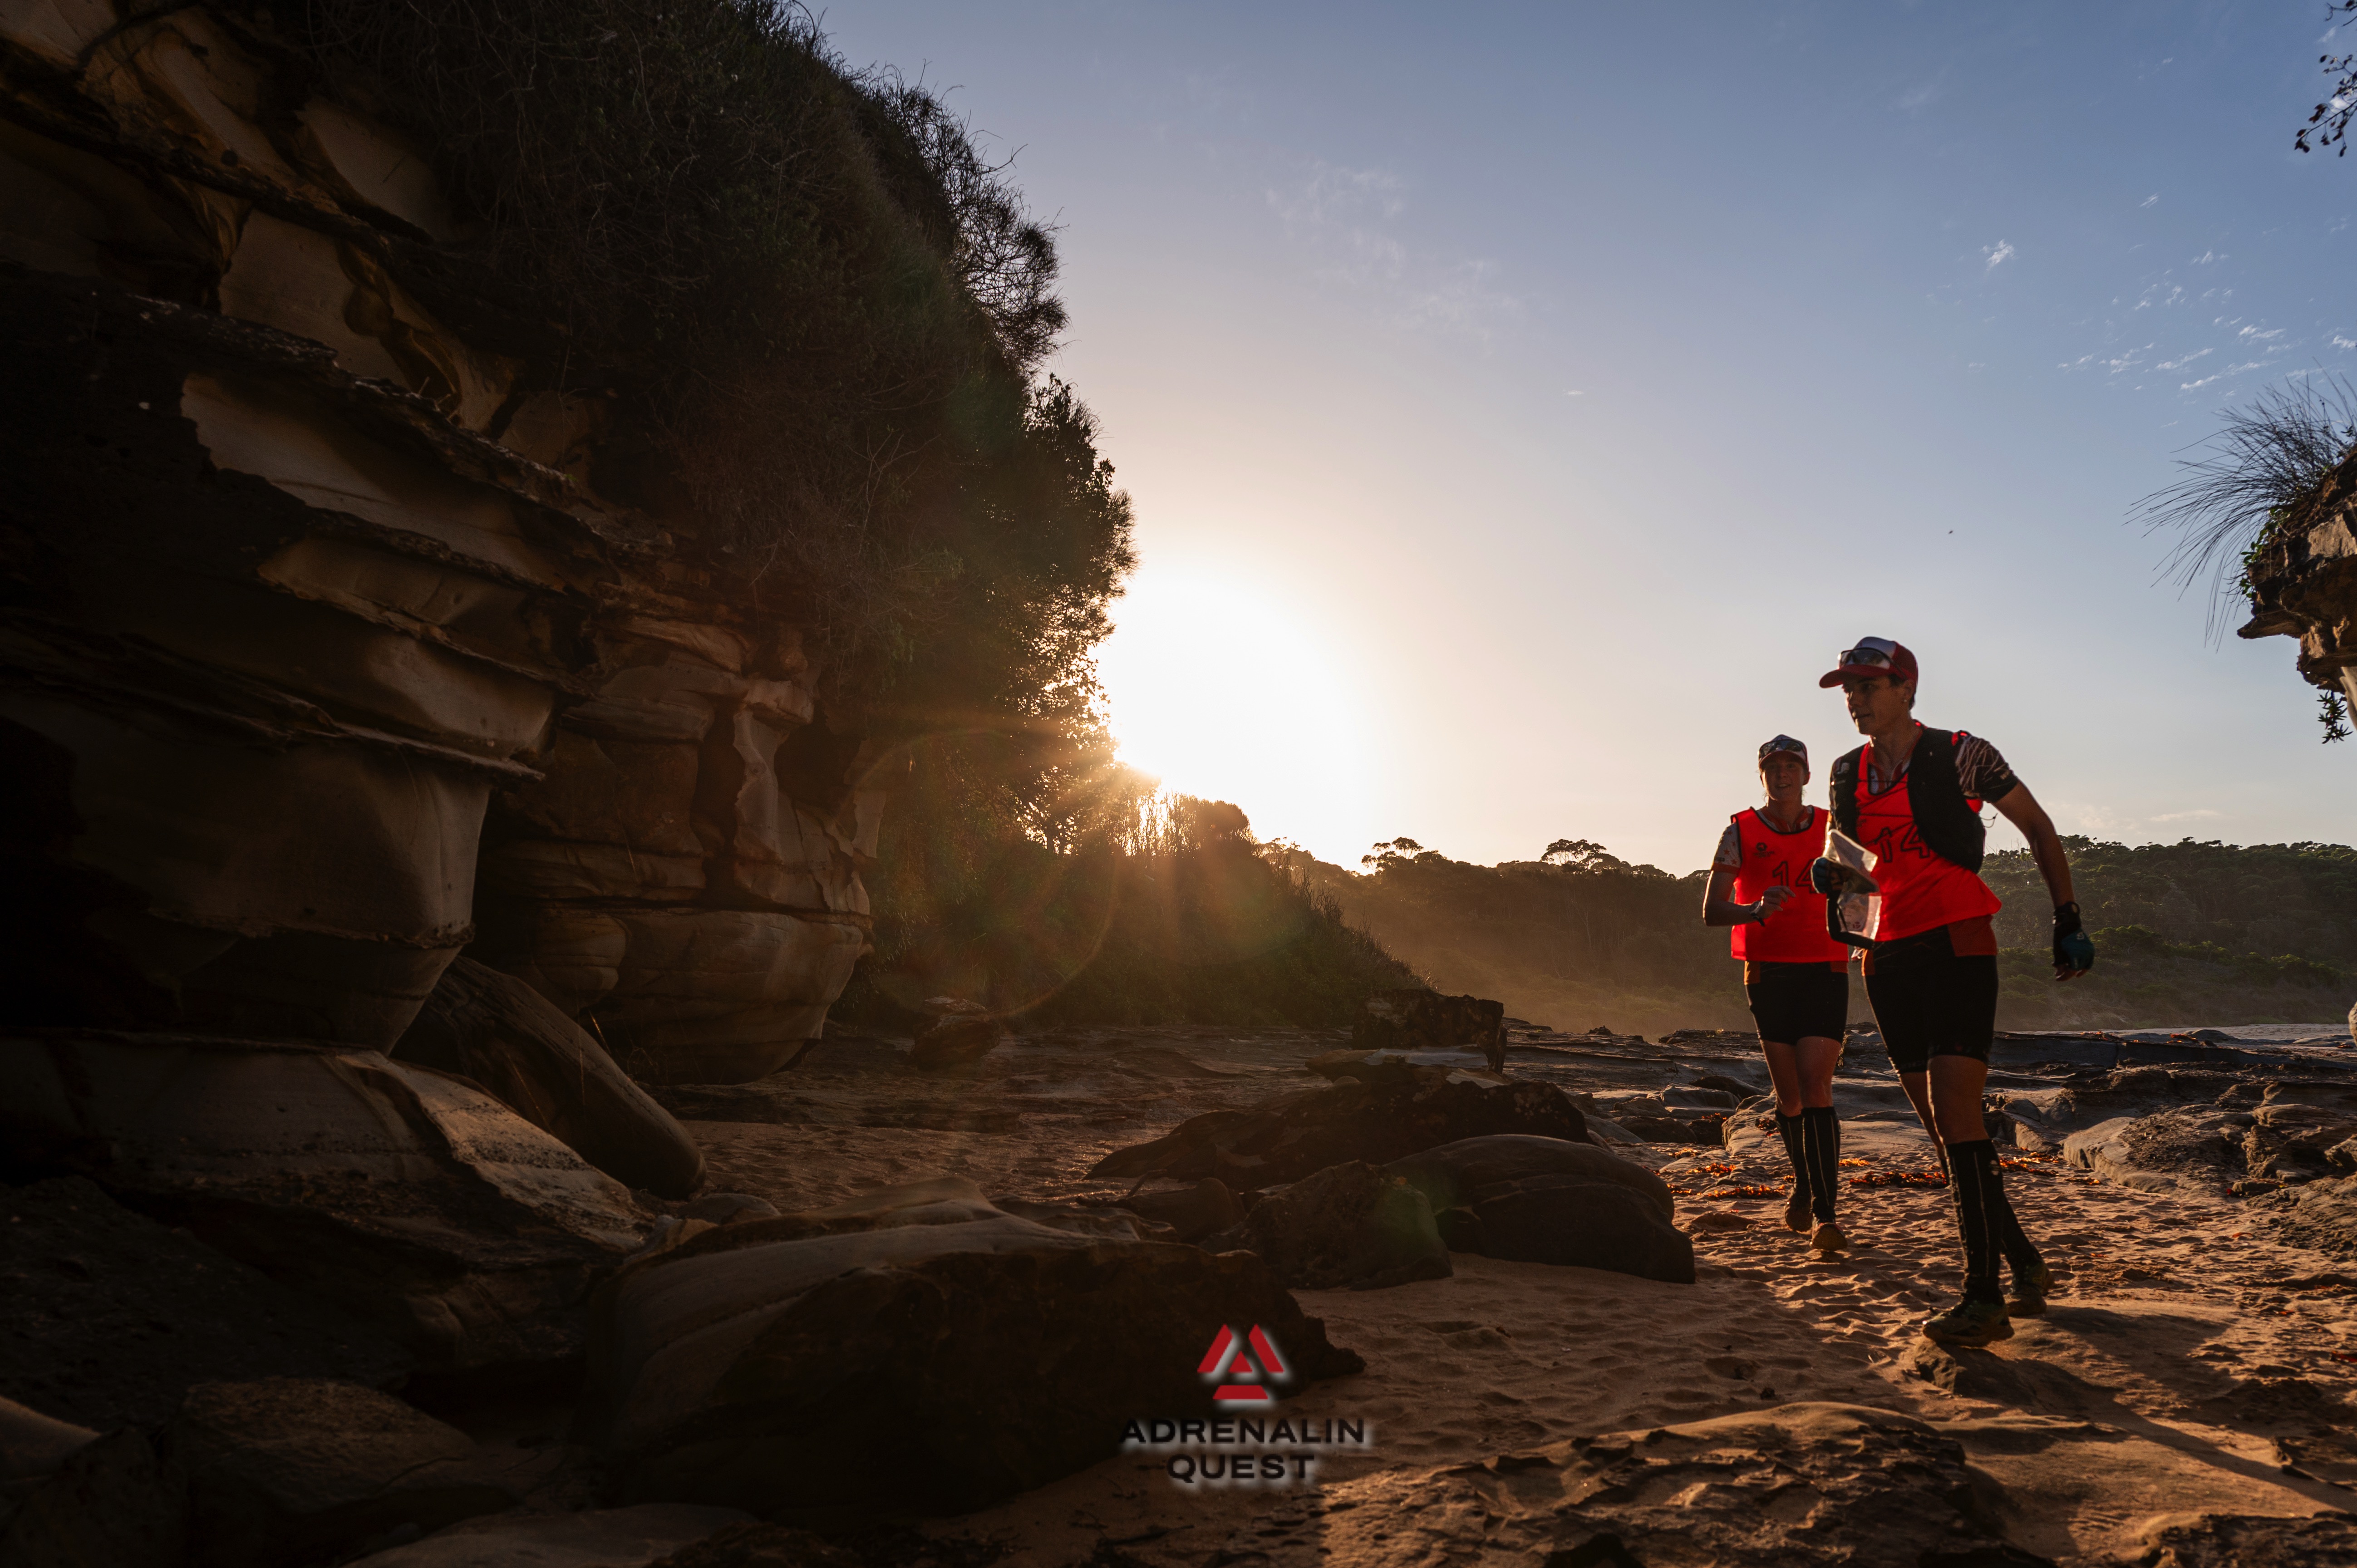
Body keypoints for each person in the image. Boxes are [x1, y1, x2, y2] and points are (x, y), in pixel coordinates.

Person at [1813, 637, 2094, 1348]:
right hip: (1888, 955)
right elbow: (1847, 860)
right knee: (1943, 1128)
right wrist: (1832, 881)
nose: (1855, 698)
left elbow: (2036, 825)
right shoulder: (1846, 772)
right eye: (1847, 688)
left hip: (1959, 940)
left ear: (1905, 687)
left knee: (1956, 1110)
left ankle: (1982, 1296)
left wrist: (2066, 918)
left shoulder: (1964, 753)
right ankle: (2026, 1262)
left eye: (1868, 685)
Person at [1703, 735, 1854, 1253]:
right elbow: (1711, 910)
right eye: (1773, 767)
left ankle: (1826, 1215)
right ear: (1762, 776)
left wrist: (1867, 940)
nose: (1783, 774)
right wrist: (1754, 910)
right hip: (1768, 971)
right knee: (1789, 1097)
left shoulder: (1834, 826)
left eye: (1792, 766)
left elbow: (1866, 889)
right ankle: (1807, 1183)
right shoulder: (1739, 831)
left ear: (1807, 775)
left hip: (1827, 966)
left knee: (1817, 1088)